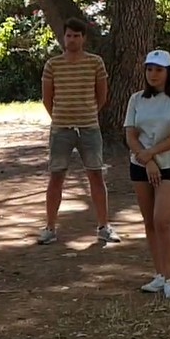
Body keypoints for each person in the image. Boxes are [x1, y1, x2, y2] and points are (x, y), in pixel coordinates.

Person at [37, 17, 121, 245]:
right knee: (56, 177)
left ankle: (104, 226)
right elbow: (47, 98)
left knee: (95, 175)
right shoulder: (52, 65)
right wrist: (60, 117)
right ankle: (50, 228)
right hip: (60, 129)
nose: (72, 39)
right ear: (63, 38)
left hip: (89, 128)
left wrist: (88, 112)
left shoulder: (95, 63)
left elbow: (102, 95)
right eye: (68, 35)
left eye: (76, 35)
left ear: (83, 38)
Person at [124, 50, 170, 299]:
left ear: (168, 72)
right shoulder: (136, 99)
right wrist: (147, 159)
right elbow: (130, 134)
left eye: (159, 70)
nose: (153, 74)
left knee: (163, 219)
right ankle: (159, 274)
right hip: (141, 163)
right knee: (150, 222)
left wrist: (153, 153)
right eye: (149, 69)